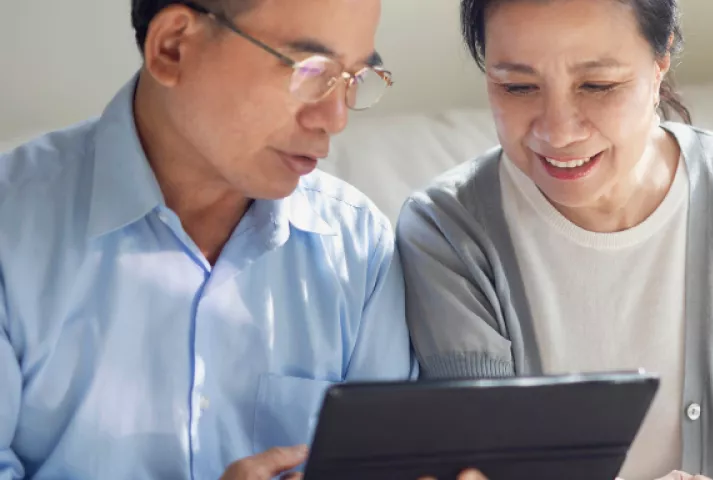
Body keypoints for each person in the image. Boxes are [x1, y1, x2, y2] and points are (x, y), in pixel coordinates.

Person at [397, 0, 713, 479]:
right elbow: (481, 460)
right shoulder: (446, 233)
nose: (558, 131)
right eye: (518, 86)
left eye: (597, 85)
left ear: (660, 63)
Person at [0, 0, 419, 478]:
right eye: (310, 69)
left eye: (354, 78)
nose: (336, 118)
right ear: (174, 48)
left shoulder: (360, 249)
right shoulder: (12, 228)